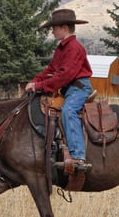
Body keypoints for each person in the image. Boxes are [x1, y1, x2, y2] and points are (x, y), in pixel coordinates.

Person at [25, 9, 93, 172]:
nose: (53, 31)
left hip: (78, 88)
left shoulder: (74, 48)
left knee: (68, 111)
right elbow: (51, 70)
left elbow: (64, 75)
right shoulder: (61, 48)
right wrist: (35, 81)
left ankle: (78, 156)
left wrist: (40, 86)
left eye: (54, 27)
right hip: (68, 88)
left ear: (64, 27)